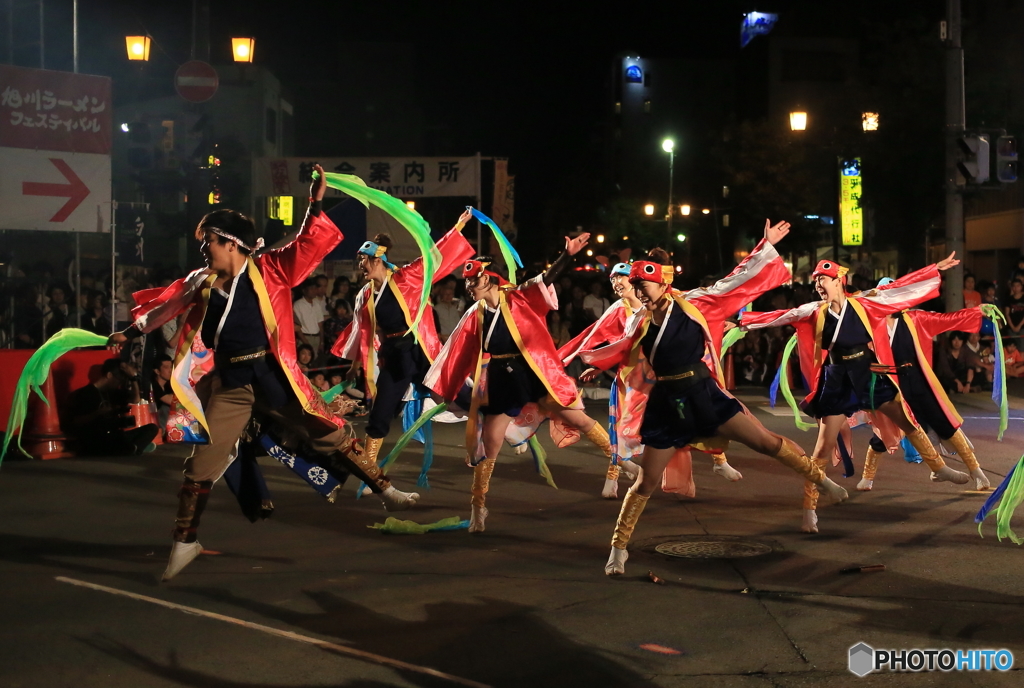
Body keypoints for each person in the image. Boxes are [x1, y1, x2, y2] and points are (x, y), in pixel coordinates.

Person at [106, 165, 418, 581]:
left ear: (233, 244)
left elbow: (309, 243)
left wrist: (315, 203)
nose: (205, 250)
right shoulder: (203, 280)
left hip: (273, 375)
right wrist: (129, 331)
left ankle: (386, 491)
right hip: (232, 384)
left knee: (329, 432)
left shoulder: (271, 269)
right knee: (201, 465)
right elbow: (167, 304)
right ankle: (185, 541)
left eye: (211, 242)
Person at [583, 222, 848, 575]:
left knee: (767, 443)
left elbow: (734, 280)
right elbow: (626, 349)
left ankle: (822, 481)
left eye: (642, 285)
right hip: (668, 403)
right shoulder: (639, 320)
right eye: (634, 287)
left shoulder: (694, 303)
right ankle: (618, 549)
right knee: (646, 482)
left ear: (663, 282)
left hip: (703, 393)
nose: (638, 293)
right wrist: (599, 364)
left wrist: (764, 245)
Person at [742, 256, 970, 534]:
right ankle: (809, 509)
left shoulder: (864, 303)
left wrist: (931, 270)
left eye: (822, 280)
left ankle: (938, 467)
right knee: (823, 448)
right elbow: (781, 316)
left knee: (908, 422)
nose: (818, 286)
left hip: (868, 375)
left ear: (839, 280)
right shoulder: (816, 310)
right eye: (816, 281)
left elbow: (897, 290)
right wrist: (743, 324)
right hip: (837, 380)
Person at [424, 234, 615, 534]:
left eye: (474, 281)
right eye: (468, 282)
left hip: (532, 372)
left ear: (490, 279)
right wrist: (445, 387)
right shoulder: (476, 314)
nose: (469, 287)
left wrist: (567, 256)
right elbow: (458, 352)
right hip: (501, 377)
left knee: (574, 417)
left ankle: (617, 459)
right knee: (490, 441)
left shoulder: (518, 297)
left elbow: (544, 279)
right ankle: (478, 506)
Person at [332, 210, 475, 476]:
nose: (359, 265)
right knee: (380, 410)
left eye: (362, 260)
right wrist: (355, 364)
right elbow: (363, 330)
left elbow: (435, 256)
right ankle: (369, 466)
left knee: (455, 393)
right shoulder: (365, 294)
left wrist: (458, 227)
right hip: (394, 357)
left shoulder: (407, 277)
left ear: (377, 259)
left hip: (420, 351)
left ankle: (488, 422)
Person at [857, 286, 993, 492]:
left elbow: (948, 320)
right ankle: (867, 477)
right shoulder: (869, 325)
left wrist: (976, 311)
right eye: (886, 296)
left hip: (919, 383)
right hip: (891, 387)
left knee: (946, 425)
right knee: (884, 434)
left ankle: (977, 472)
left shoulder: (915, 319)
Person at [65, 358, 159, 456]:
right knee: (113, 441)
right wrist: (98, 413)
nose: (119, 383)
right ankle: (134, 448)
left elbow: (135, 399)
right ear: (109, 375)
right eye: (119, 379)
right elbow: (76, 421)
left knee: (152, 428)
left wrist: (133, 378)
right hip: (95, 437)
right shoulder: (85, 393)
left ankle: (133, 447)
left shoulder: (112, 392)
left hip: (114, 434)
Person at [293, 278, 325, 360]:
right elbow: (297, 327)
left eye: (315, 288)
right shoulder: (298, 305)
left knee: (315, 361)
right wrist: (305, 342)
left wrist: (321, 341)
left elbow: (320, 324)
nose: (314, 291)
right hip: (305, 337)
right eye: (311, 289)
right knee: (304, 360)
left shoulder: (316, 304)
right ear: (304, 290)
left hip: (316, 338)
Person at [433, 278, 465, 344]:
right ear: (441, 295)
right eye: (446, 294)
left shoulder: (454, 309)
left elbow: (458, 323)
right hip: (443, 339)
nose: (448, 296)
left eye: (450, 294)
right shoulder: (436, 309)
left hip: (455, 338)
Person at [151, 354, 174, 435]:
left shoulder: (168, 386)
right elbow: (172, 401)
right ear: (157, 371)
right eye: (166, 367)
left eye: (171, 366)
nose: (170, 370)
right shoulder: (153, 386)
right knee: (166, 407)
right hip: (152, 421)